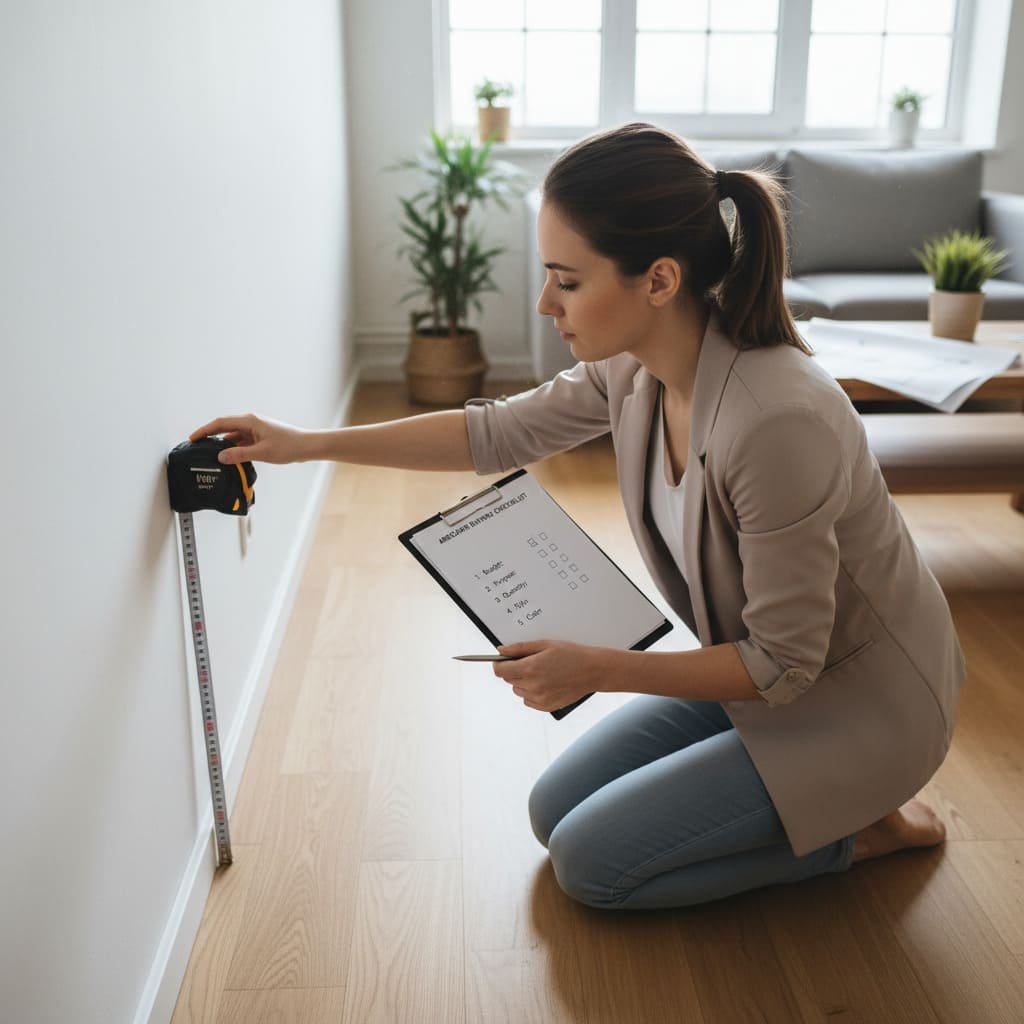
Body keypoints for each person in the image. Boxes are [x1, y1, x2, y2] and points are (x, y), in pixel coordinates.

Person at [190, 122, 964, 911]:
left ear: (659, 281)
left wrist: (597, 667)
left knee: (592, 867)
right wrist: (307, 444)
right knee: (550, 811)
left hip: (857, 709)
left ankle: (863, 831)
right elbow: (496, 433)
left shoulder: (775, 423)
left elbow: (785, 664)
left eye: (566, 280)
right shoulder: (634, 367)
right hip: (763, 681)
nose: (544, 303)